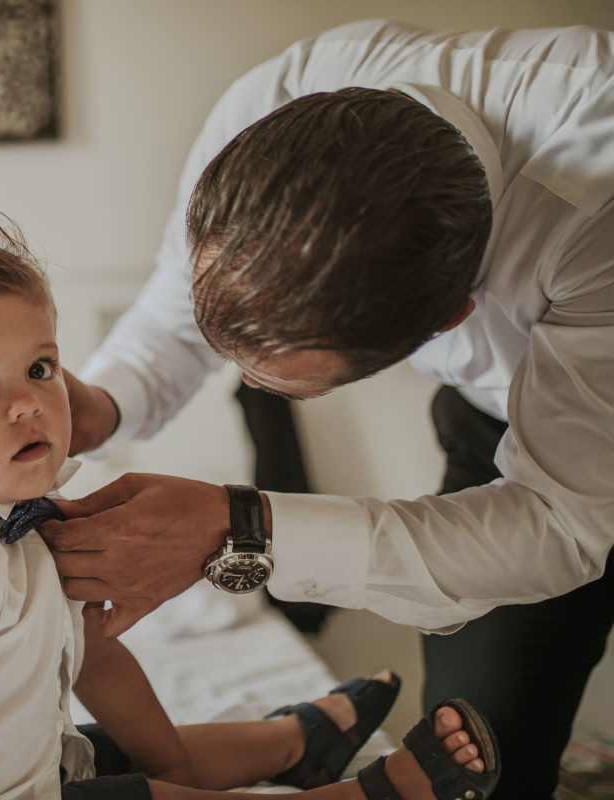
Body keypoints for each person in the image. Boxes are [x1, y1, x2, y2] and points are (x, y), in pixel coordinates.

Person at [38, 19, 614, 800]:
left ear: (449, 322)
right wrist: (98, 406)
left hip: (569, 456)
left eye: (277, 380)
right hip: (500, 425)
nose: (234, 374)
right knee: (484, 759)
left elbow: (561, 522)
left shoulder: (593, 201)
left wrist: (239, 526)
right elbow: (177, 317)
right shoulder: (265, 106)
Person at [0, 212, 499, 800]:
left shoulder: (33, 514)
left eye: (39, 368)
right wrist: (165, 788)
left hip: (26, 766)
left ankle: (296, 739)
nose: (25, 401)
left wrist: (176, 767)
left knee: (138, 755)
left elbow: (96, 660)